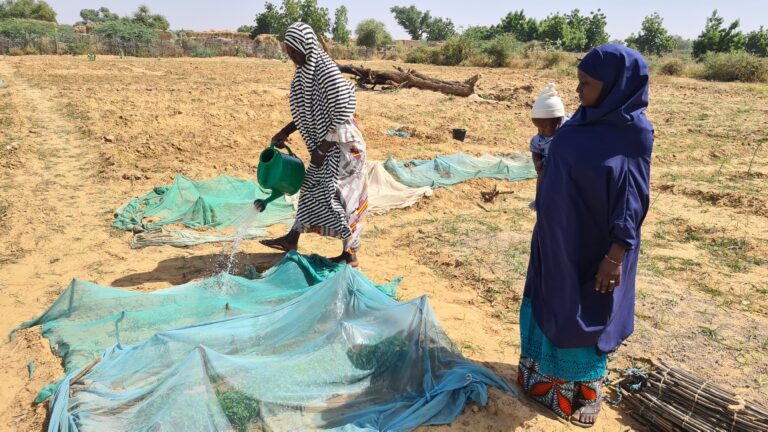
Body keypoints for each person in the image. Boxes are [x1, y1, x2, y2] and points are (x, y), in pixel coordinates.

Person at [517, 44, 653, 428]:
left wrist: (615, 256)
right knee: (551, 299)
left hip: (595, 245)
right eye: (578, 81)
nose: (577, 91)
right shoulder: (581, 120)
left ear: (615, 86)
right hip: (557, 236)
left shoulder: (632, 134)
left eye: (586, 84)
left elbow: (632, 198)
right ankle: (539, 376)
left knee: (587, 310)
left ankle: (585, 392)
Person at [260, 23, 368, 267]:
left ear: (306, 47)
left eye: (294, 51)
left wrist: (322, 149)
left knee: (339, 199)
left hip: (345, 150)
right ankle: (292, 238)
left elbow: (342, 115)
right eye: (288, 52)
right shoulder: (303, 74)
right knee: (309, 189)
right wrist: (285, 131)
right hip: (326, 149)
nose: (292, 57)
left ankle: (350, 254)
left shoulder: (327, 73)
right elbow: (308, 111)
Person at [529, 83, 567, 209]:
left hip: (565, 166)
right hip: (548, 166)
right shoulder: (539, 139)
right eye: (538, 127)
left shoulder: (568, 132)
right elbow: (536, 151)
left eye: (544, 127)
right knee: (542, 176)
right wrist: (537, 162)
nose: (540, 131)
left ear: (559, 121)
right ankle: (541, 201)